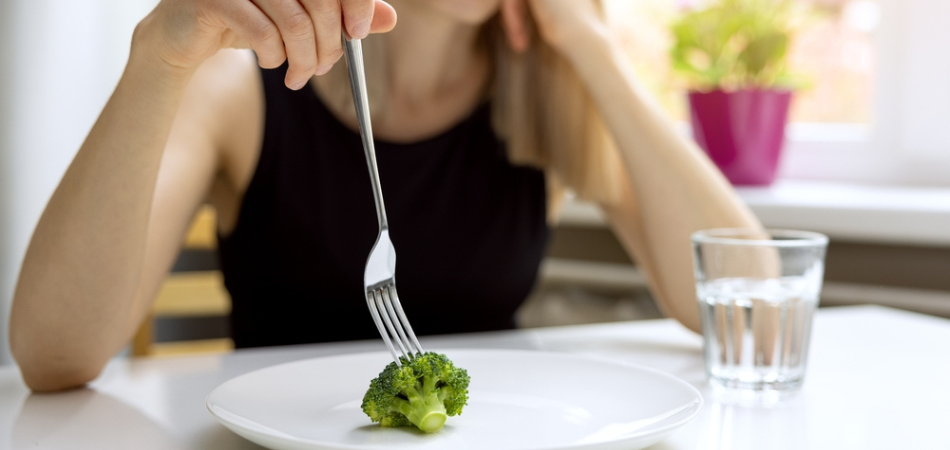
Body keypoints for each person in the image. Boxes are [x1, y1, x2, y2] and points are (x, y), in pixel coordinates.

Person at [9, 0, 760, 392]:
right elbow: (54, 356)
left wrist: (592, 45)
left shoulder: (547, 95)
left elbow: (752, 313)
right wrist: (161, 56)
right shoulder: (240, 87)